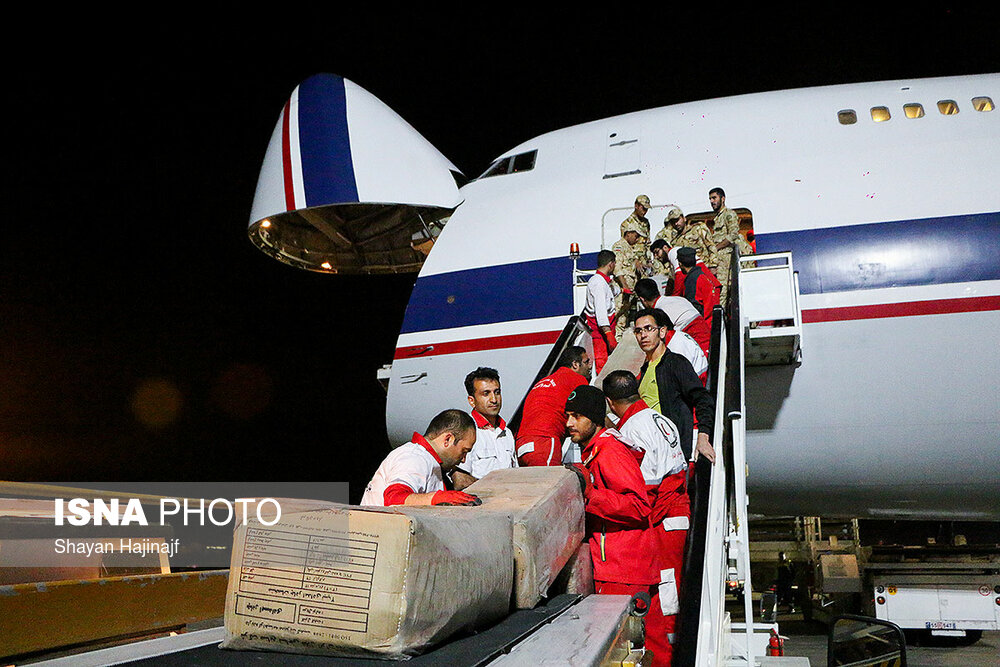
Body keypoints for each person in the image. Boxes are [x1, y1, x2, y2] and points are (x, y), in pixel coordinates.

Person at [563, 385, 660, 659]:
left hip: (624, 571)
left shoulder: (610, 452)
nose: (568, 423)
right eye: (567, 415)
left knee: (625, 653)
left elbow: (640, 505)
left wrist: (591, 495)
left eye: (576, 416)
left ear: (594, 418)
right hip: (616, 567)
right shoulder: (595, 451)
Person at [603, 371, 689, 666]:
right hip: (678, 512)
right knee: (673, 588)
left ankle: (669, 657)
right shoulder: (660, 418)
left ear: (610, 403)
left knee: (664, 597)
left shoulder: (632, 431)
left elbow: (646, 488)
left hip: (663, 517)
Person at [634, 309, 716, 464]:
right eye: (638, 331)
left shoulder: (676, 363)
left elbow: (703, 399)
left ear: (662, 331)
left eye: (649, 329)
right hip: (653, 454)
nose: (643, 335)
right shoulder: (644, 369)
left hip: (674, 453)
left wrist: (703, 437)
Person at [361, 409, 481, 506]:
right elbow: (394, 499)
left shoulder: (428, 460)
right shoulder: (414, 457)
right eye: (464, 451)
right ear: (448, 439)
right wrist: (440, 498)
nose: (464, 459)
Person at [516, 346, 593, 466]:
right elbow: (592, 412)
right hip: (544, 441)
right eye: (586, 362)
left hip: (521, 442)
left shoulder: (544, 381)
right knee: (548, 482)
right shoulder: (576, 379)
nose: (589, 366)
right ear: (575, 364)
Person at [452, 367, 517, 489]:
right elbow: (459, 480)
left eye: (497, 392)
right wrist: (494, 490)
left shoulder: (507, 433)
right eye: (486, 394)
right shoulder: (466, 432)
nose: (494, 400)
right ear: (472, 401)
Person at [635, 277, 712, 358]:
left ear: (642, 299)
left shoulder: (659, 313)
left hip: (697, 344)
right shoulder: (678, 299)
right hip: (707, 338)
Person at [582, 249, 619, 374]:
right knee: (602, 364)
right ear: (611, 264)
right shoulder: (599, 284)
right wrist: (608, 334)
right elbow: (601, 311)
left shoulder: (602, 281)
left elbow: (611, 293)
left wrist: (622, 291)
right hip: (601, 332)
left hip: (604, 329)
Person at [708, 187, 742, 307]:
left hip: (726, 258)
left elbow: (733, 234)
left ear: (723, 199)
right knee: (718, 290)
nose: (712, 201)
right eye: (710, 199)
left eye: (714, 198)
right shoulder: (717, 218)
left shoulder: (729, 214)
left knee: (722, 291)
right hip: (719, 259)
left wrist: (716, 248)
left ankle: (719, 321)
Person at [674, 247, 721, 332]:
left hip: (705, 327)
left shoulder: (692, 280)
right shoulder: (702, 275)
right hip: (713, 323)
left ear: (680, 264)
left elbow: (694, 307)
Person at [662, 206, 717, 272]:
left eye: (677, 220)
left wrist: (713, 265)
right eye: (673, 222)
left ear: (684, 218)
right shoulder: (674, 241)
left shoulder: (698, 228)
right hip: (688, 274)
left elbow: (711, 246)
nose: (676, 224)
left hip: (704, 269)